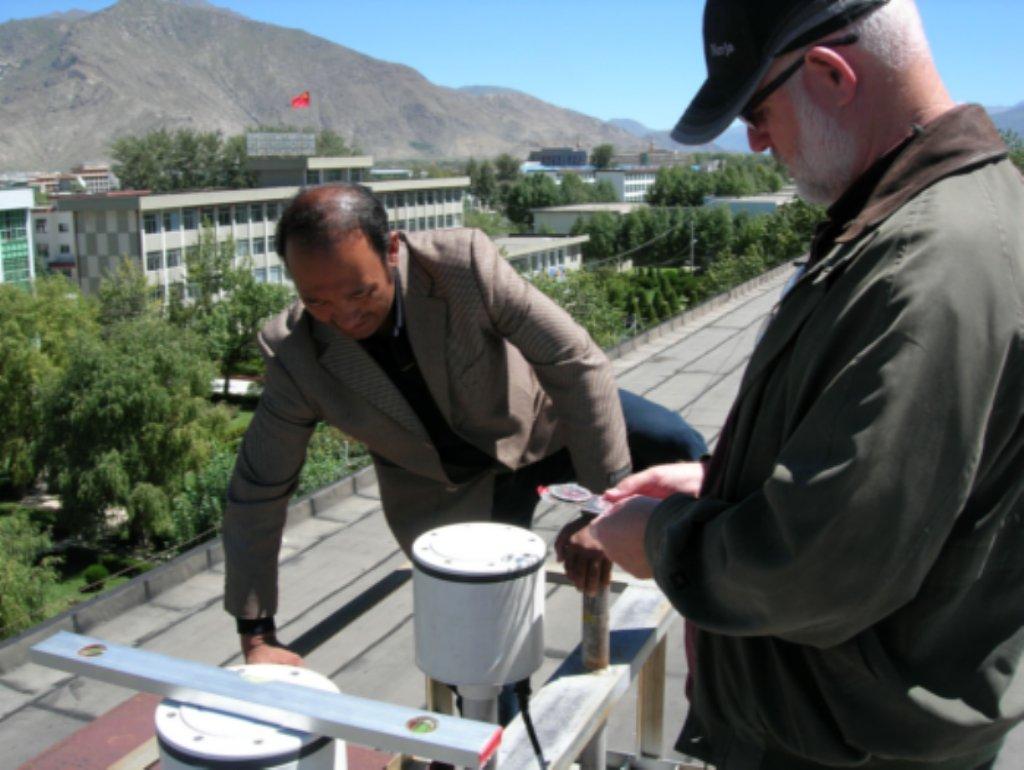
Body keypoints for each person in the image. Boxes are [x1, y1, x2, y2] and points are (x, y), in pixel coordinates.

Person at [580, 0, 1024, 768]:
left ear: (828, 72)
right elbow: (900, 476)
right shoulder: (920, 224)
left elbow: (819, 571)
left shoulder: (932, 267)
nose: (754, 141)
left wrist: (657, 539)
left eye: (758, 109)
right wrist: (724, 479)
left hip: (846, 744)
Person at [222, 183, 707, 666]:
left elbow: (575, 362)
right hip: (453, 493)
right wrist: (257, 634)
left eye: (359, 292)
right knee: (483, 654)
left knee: (678, 447)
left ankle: (715, 599)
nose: (343, 316)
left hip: (545, 424)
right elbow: (259, 487)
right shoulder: (295, 354)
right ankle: (499, 727)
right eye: (318, 303)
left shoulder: (462, 266)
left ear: (391, 249)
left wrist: (603, 514)